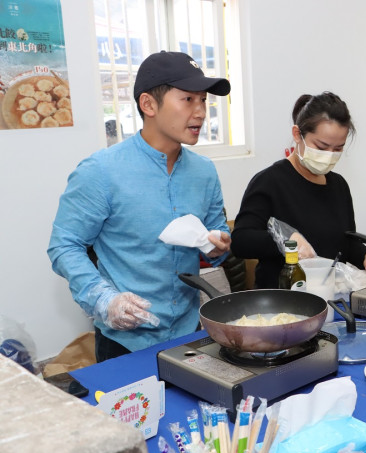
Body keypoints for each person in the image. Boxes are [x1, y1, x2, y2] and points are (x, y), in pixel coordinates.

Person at [48, 51, 232, 362]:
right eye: (188, 100)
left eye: (203, 100)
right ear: (148, 105)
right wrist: (104, 300)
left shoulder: (204, 171)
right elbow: (64, 246)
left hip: (189, 334)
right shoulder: (101, 171)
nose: (201, 112)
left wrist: (218, 245)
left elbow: (218, 236)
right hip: (124, 344)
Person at [231, 92, 366, 289]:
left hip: (328, 296)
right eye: (321, 146)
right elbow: (241, 242)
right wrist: (287, 242)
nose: (329, 156)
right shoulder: (269, 182)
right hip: (282, 301)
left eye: (338, 149)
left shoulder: (338, 186)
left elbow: (344, 241)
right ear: (297, 135)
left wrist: (365, 255)